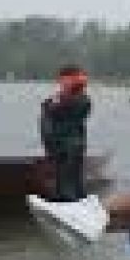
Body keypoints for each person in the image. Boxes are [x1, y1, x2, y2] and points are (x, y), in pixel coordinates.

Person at [39, 65, 92, 201]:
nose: (61, 83)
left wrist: (54, 103)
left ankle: (70, 198)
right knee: (66, 174)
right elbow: (47, 120)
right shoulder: (60, 100)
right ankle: (68, 196)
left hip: (68, 144)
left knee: (69, 175)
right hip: (63, 144)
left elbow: (59, 110)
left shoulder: (79, 100)